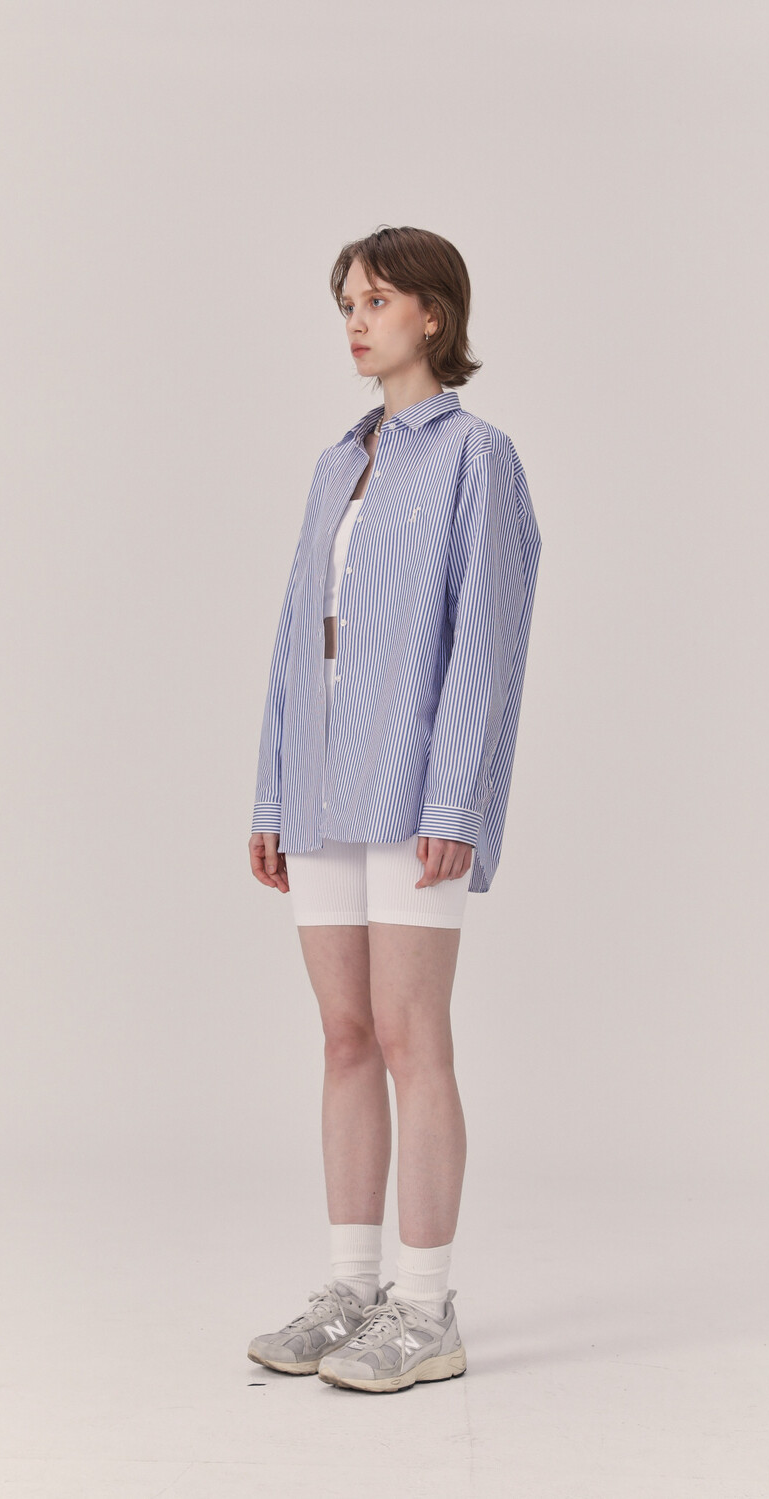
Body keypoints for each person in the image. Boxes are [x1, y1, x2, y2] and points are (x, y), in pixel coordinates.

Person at [246, 225, 541, 1393]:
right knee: (345, 1034)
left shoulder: (478, 456)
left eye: (375, 300)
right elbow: (292, 632)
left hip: (415, 784)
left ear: (433, 313)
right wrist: (272, 789)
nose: (355, 322)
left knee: (414, 1034)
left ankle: (424, 1306)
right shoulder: (339, 461)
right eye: (346, 304)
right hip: (321, 784)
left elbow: (488, 636)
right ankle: (350, 1286)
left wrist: (458, 794)